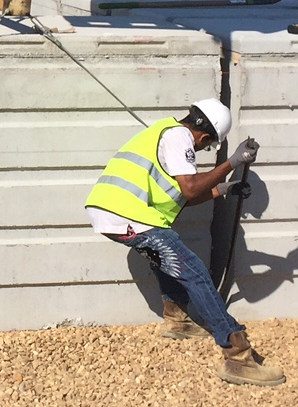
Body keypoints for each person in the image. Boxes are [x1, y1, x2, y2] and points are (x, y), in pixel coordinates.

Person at [85, 98, 284, 386]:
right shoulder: (179, 137)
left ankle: (178, 320)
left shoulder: (163, 133)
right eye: (207, 146)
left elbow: (178, 197)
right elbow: (190, 189)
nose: (202, 151)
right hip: (127, 215)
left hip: (114, 215)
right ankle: (238, 357)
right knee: (195, 272)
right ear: (204, 136)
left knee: (167, 260)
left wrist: (225, 188)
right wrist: (233, 162)